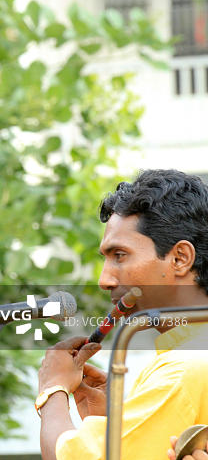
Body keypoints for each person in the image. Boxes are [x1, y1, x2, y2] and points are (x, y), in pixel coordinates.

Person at [35, 169, 208, 460]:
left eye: (120, 255)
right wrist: (115, 416)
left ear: (180, 259)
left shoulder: (182, 368)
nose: (105, 280)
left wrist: (52, 390)